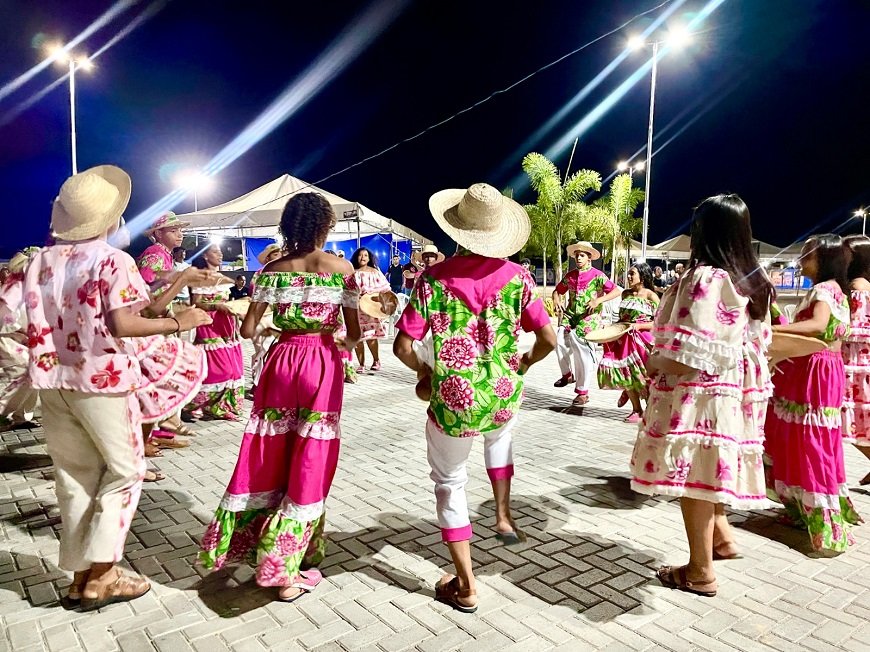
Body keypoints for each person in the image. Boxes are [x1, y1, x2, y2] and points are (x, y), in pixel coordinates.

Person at [0, 165, 210, 610]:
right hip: (104, 382)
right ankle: (104, 575)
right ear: (110, 220)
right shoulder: (112, 260)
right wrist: (180, 321)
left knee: (74, 478)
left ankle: (80, 579)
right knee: (126, 471)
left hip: (52, 383)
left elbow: (8, 317)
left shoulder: (38, 259)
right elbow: (124, 321)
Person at [394, 183, 555, 613]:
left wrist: (425, 372)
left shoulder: (432, 279)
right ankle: (503, 515)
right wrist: (523, 365)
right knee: (498, 444)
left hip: (453, 399)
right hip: (502, 395)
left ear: (457, 229)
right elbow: (548, 339)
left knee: (450, 484)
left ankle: (465, 584)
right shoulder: (518, 277)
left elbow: (402, 347)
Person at [200, 192, 360, 602]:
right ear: (326, 226)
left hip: (281, 363)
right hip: (321, 365)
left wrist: (278, 330)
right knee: (311, 457)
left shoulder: (270, 271)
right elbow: (355, 333)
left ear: (288, 227)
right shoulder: (342, 270)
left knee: (268, 452)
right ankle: (284, 570)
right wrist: (338, 343)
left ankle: (260, 549)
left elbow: (248, 331)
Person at [631, 194, 775, 598]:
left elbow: (692, 357)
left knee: (695, 480)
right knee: (711, 469)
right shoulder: (754, 282)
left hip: (703, 397)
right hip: (734, 397)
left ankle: (699, 570)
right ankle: (722, 539)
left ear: (704, 231)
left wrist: (654, 364)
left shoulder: (707, 279)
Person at [765, 234, 862, 551]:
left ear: (823, 259)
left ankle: (820, 522)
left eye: (807, 255)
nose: (800, 261)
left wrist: (772, 330)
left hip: (811, 372)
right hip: (823, 370)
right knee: (810, 441)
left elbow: (818, 326)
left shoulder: (822, 290)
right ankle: (804, 513)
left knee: (806, 442)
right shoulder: (838, 291)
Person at [551, 241, 621, 411]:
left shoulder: (598, 275)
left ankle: (583, 392)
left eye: (582, 255)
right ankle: (567, 375)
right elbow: (557, 291)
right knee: (558, 340)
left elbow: (616, 291)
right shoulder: (570, 276)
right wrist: (556, 299)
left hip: (589, 318)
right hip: (570, 316)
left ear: (589, 258)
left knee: (583, 354)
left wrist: (598, 300)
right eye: (577, 255)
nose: (578, 258)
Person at [188, 245, 245, 420]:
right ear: (205, 255)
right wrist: (215, 306)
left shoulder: (223, 277)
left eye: (220, 252)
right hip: (209, 323)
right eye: (215, 252)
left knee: (234, 367)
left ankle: (221, 406)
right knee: (219, 367)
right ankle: (196, 402)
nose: (220, 255)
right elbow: (196, 302)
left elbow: (229, 301)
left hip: (227, 323)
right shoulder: (200, 277)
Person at [597, 262, 659, 423]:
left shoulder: (651, 296)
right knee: (627, 374)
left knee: (645, 377)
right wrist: (610, 330)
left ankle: (651, 410)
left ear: (643, 276)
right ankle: (636, 410)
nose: (629, 277)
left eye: (632, 273)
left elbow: (659, 322)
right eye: (629, 274)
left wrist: (638, 326)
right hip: (624, 339)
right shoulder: (625, 294)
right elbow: (621, 319)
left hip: (643, 340)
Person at [0, 248, 40, 432]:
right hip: (8, 338)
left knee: (37, 371)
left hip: (25, 338)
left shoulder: (33, 287)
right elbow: (8, 317)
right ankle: (3, 412)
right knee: (20, 369)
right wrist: (23, 331)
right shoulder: (13, 287)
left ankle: (22, 415)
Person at [843, 235, 870, 485]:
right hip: (858, 359)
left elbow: (856, 328)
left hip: (854, 360)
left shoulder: (857, 286)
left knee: (850, 421)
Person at [250, 244, 284, 392]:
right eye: (275, 254)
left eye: (280, 254)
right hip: (261, 316)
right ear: (268, 258)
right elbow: (254, 296)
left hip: (276, 317)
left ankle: (267, 383)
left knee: (272, 350)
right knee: (261, 350)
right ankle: (257, 383)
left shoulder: (284, 273)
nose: (279, 257)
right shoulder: (259, 274)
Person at [351, 247, 391, 372]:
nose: (362, 257)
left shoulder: (375, 272)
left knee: (371, 336)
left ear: (369, 258)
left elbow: (385, 290)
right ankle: (361, 364)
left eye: (365, 255)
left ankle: (376, 360)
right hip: (356, 308)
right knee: (357, 337)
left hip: (371, 309)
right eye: (360, 255)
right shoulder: (352, 272)